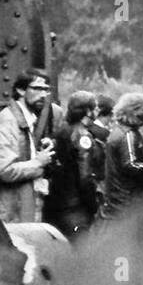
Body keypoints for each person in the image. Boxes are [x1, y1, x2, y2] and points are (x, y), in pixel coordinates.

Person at [0, 68, 56, 224]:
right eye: (37, 89)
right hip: (10, 214)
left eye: (46, 90)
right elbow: (5, 170)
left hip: (19, 209)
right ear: (21, 90)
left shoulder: (25, 118)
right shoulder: (9, 121)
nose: (43, 95)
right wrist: (38, 162)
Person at [44, 91, 99, 238]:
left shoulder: (62, 130)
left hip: (55, 202)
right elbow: (85, 177)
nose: (97, 111)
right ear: (88, 111)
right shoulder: (83, 136)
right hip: (75, 207)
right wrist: (93, 205)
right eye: (95, 108)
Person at [100, 91, 143, 218]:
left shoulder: (118, 131)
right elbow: (130, 165)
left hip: (116, 198)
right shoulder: (128, 135)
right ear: (132, 111)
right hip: (127, 201)